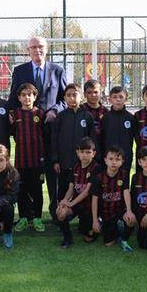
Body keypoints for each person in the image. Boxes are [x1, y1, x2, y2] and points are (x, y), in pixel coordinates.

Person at [7, 36, 68, 209]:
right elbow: (13, 99)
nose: (37, 50)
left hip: (51, 132)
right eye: (33, 47)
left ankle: (55, 210)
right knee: (27, 175)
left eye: (40, 46)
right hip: (28, 135)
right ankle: (28, 213)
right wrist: (12, 114)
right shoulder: (20, 71)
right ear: (28, 51)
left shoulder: (57, 70)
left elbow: (64, 99)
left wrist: (54, 110)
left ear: (46, 49)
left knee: (52, 173)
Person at [49, 83, 94, 226]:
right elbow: (54, 140)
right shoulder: (60, 117)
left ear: (81, 97)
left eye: (75, 95)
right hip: (64, 164)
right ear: (64, 98)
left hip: (83, 165)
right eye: (68, 95)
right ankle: (61, 220)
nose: (72, 98)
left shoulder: (87, 116)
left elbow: (92, 141)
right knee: (63, 191)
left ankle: (84, 217)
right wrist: (55, 160)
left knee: (83, 191)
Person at [9, 83, 46, 232]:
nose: (26, 98)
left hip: (37, 159)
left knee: (37, 189)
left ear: (35, 97)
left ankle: (37, 218)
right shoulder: (14, 114)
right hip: (21, 160)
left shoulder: (41, 114)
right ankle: (23, 218)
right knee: (21, 189)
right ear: (19, 97)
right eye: (23, 95)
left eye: (29, 95)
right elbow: (12, 133)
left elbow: (45, 135)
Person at [53, 136, 99, 248]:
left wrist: (70, 203)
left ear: (93, 153)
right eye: (82, 152)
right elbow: (71, 188)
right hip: (77, 204)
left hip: (90, 206)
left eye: (88, 152)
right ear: (77, 153)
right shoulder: (75, 166)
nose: (84, 155)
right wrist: (64, 201)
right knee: (61, 212)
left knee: (88, 237)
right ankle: (67, 238)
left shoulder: (96, 168)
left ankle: (90, 226)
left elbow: (87, 192)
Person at [90, 145, 131, 247]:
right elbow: (94, 199)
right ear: (105, 160)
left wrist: (129, 211)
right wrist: (94, 220)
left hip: (119, 212)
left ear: (122, 161)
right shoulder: (99, 177)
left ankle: (122, 232)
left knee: (131, 220)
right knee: (108, 243)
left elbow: (126, 192)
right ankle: (109, 227)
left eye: (117, 159)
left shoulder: (124, 174)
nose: (114, 162)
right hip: (105, 213)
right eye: (111, 159)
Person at [100, 86, 136, 174]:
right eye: (115, 97)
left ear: (126, 99)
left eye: (121, 97)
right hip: (109, 158)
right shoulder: (106, 118)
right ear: (110, 100)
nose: (118, 99)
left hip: (125, 157)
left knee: (124, 179)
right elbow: (102, 138)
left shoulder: (131, 118)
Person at [81, 79, 107, 156]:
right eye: (89, 92)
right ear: (85, 94)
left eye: (96, 92)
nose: (93, 95)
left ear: (100, 93)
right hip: (84, 150)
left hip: (101, 149)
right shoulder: (80, 110)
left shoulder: (106, 112)